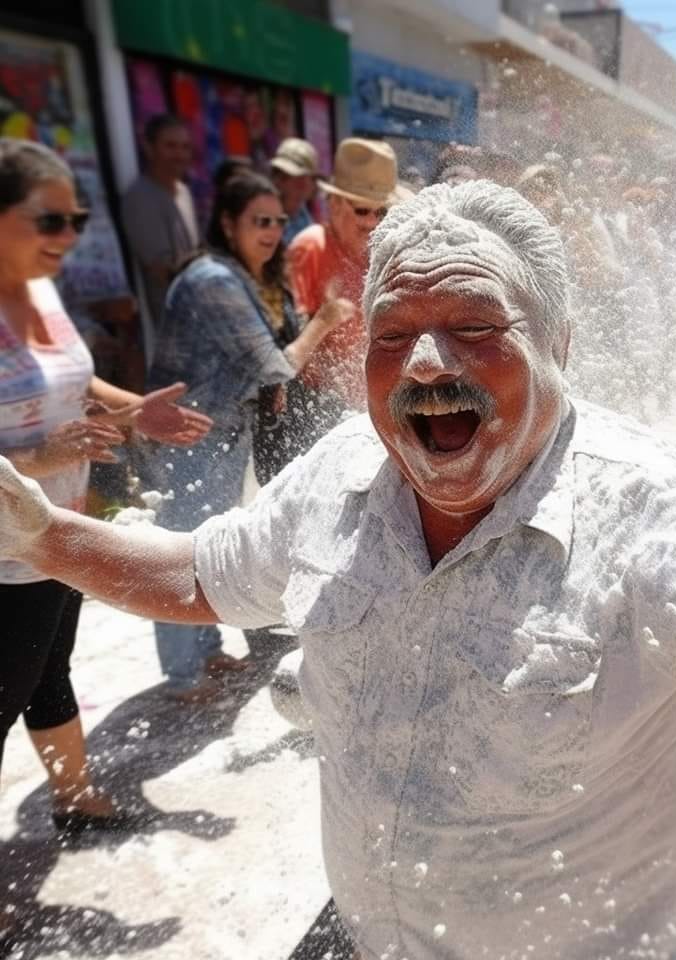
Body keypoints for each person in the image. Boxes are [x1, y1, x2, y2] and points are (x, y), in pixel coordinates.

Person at [3, 180, 676, 960]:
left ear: (559, 344)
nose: (424, 364)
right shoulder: (342, 472)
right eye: (391, 336)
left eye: (473, 326)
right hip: (365, 936)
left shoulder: (656, 505)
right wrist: (42, 534)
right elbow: (202, 575)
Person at [0, 138, 211, 832]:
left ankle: (75, 800)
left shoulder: (37, 292)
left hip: (60, 527)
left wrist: (135, 409)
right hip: (8, 549)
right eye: (50, 220)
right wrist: (35, 456)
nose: (69, 236)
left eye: (77, 220)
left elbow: (71, 378)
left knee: (48, 670)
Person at [141, 171, 336, 701]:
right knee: (181, 548)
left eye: (276, 220)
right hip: (191, 433)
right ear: (228, 223)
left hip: (219, 430)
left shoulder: (239, 276)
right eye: (258, 221)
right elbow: (274, 367)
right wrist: (328, 319)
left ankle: (202, 649)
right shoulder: (214, 280)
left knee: (204, 543)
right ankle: (183, 674)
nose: (271, 231)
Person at [282, 138, 401, 453]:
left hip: (367, 408)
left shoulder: (380, 250)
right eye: (363, 210)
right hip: (315, 408)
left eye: (382, 211)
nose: (373, 221)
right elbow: (288, 348)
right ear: (334, 204)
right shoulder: (310, 249)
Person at [120, 114, 199, 365]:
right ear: (149, 147)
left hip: (201, 321)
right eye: (170, 146)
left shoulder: (183, 192)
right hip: (172, 331)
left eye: (185, 147)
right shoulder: (140, 197)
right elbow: (160, 269)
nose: (180, 154)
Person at [269, 137, 319, 245]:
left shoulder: (306, 218)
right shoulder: (263, 217)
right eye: (297, 177)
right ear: (278, 179)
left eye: (307, 177)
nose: (303, 184)